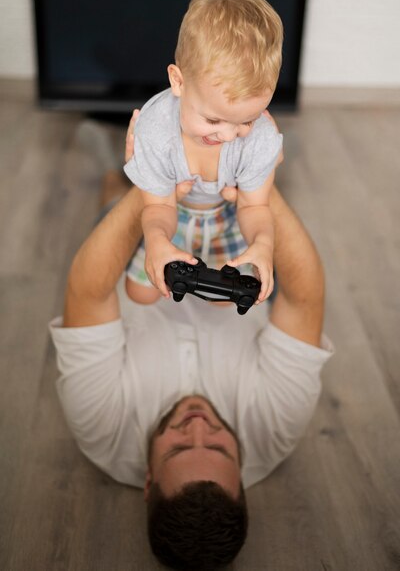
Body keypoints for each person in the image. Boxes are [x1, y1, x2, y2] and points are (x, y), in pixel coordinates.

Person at [49, 112, 333, 569]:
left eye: (180, 446)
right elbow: (305, 301)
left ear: (147, 481)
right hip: (235, 277)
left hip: (137, 274)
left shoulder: (100, 425)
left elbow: (87, 290)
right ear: (241, 474)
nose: (199, 423)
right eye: (219, 446)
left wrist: (147, 182)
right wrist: (261, 179)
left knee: (111, 211)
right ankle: (263, 161)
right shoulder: (277, 425)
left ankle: (111, 167)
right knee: (257, 221)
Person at [123, 0, 284, 306]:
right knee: (140, 294)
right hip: (173, 211)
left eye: (247, 120)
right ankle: (114, 190)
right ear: (178, 81)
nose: (229, 135)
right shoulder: (155, 130)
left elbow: (254, 206)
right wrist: (157, 241)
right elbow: (159, 206)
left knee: (226, 300)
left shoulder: (261, 137)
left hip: (227, 215)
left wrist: (263, 243)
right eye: (213, 121)